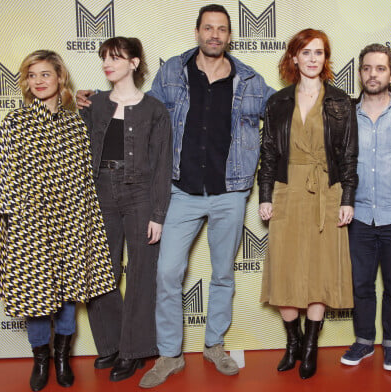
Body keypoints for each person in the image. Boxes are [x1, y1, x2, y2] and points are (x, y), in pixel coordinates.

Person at [77, 4, 274, 388]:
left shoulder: (250, 80)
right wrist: (94, 97)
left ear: (229, 36)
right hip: (180, 190)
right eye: (207, 28)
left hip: (230, 192)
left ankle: (215, 345)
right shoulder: (172, 72)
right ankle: (169, 354)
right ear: (197, 32)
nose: (214, 35)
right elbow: (138, 107)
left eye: (221, 29)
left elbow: (283, 107)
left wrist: (336, 101)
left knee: (222, 275)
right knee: (166, 274)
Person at [0, 50, 116, 391]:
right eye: (32, 76)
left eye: (45, 74)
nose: (39, 81)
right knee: (35, 296)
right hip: (29, 223)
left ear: (59, 77)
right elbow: (5, 174)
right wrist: (10, 222)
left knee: (67, 293)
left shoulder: (76, 122)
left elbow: (86, 174)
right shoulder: (14, 123)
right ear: (26, 82)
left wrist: (86, 220)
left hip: (72, 219)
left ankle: (62, 356)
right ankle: (40, 360)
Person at [258, 28, 358, 380]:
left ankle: (312, 346)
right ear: (294, 57)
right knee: (285, 271)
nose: (313, 58)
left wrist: (347, 198)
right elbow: (268, 153)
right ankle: (293, 343)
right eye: (306, 52)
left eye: (319, 52)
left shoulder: (341, 102)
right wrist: (265, 195)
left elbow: (349, 156)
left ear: (324, 59)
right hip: (288, 189)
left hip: (326, 193)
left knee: (320, 271)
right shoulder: (277, 102)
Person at [79, 37, 172, 382]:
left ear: (134, 63)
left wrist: (158, 214)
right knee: (101, 270)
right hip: (100, 191)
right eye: (104, 57)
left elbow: (163, 165)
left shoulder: (154, 110)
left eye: (115, 57)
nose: (107, 62)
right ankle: (113, 345)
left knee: (141, 273)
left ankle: (134, 350)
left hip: (140, 195)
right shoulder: (93, 104)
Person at [339, 44, 391, 372]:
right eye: (367, 68)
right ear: (360, 73)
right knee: (361, 284)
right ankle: (363, 340)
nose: (373, 74)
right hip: (358, 216)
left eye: (380, 68)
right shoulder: (345, 114)